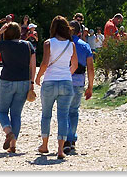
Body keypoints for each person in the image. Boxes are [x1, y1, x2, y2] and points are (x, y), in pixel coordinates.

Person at [0, 21, 35, 155]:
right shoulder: (28, 45)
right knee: (16, 114)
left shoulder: (4, 45)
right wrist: (32, 82)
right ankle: (13, 146)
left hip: (6, 80)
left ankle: (9, 132)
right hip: (24, 81)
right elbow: (33, 65)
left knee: (2, 112)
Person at [35, 16, 78, 160]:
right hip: (66, 82)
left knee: (46, 114)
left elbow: (45, 63)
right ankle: (60, 149)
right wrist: (66, 74)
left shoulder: (48, 43)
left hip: (50, 82)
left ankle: (45, 145)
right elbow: (75, 65)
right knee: (63, 116)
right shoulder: (71, 45)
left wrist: (38, 76)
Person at [64, 19, 94, 155]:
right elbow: (91, 68)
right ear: (80, 32)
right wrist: (90, 86)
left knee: (63, 111)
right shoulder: (85, 46)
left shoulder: (63, 44)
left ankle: (65, 140)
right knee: (74, 111)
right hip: (78, 81)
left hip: (64, 80)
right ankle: (72, 139)